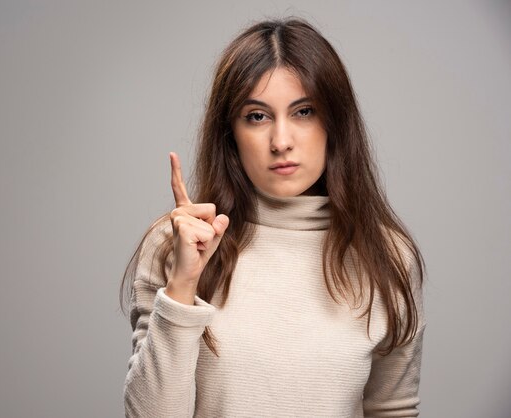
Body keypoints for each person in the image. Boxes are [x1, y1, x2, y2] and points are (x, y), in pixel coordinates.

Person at [119, 16, 426, 418]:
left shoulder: (388, 256)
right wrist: (183, 284)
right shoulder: (176, 243)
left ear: (335, 122)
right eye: (257, 116)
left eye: (304, 111)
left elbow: (392, 410)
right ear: (230, 134)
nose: (281, 142)